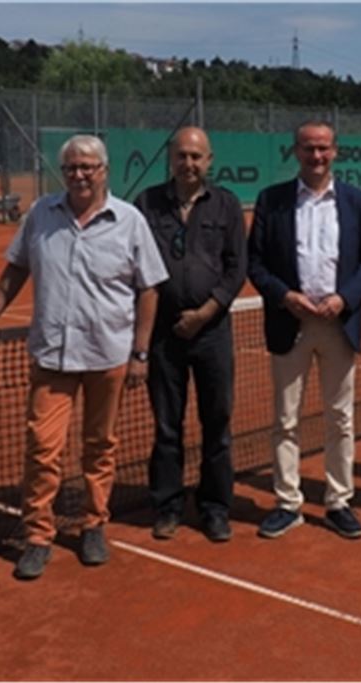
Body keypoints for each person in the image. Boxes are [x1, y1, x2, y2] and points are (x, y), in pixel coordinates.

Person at [0, 134, 167, 579]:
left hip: (108, 355)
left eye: (88, 167)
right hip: (53, 357)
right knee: (43, 448)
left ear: (104, 171)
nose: (79, 174)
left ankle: (94, 525)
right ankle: (38, 535)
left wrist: (140, 351)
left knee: (100, 447)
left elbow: (149, 288)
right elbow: (15, 269)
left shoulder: (130, 221)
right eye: (72, 167)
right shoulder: (40, 214)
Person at [247, 120, 361, 540]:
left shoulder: (358, 202)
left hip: (339, 323)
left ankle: (339, 499)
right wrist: (286, 297)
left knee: (340, 418)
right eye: (308, 149)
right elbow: (256, 263)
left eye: (323, 148)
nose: (316, 156)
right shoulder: (272, 201)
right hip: (292, 323)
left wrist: (345, 299)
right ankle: (288, 503)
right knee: (285, 419)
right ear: (296, 152)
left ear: (335, 151)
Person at [134, 127, 246, 542]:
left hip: (213, 333)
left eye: (197, 157)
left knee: (217, 423)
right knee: (167, 426)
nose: (189, 164)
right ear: (171, 158)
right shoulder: (146, 203)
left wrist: (205, 312)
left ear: (210, 160)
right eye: (182, 156)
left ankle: (215, 507)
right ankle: (167, 506)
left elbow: (237, 268)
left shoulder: (227, 205)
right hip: (164, 335)